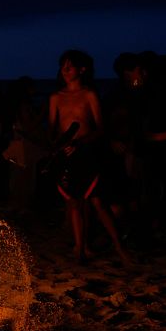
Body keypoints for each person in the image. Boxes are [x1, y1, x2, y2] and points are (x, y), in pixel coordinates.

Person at [48, 50, 128, 265]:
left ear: (82, 69)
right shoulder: (56, 98)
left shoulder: (89, 95)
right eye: (62, 66)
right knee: (74, 203)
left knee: (97, 202)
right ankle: (80, 250)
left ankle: (119, 247)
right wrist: (59, 146)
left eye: (70, 66)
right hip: (67, 155)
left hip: (87, 153)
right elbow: (53, 129)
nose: (64, 70)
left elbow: (100, 128)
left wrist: (79, 143)